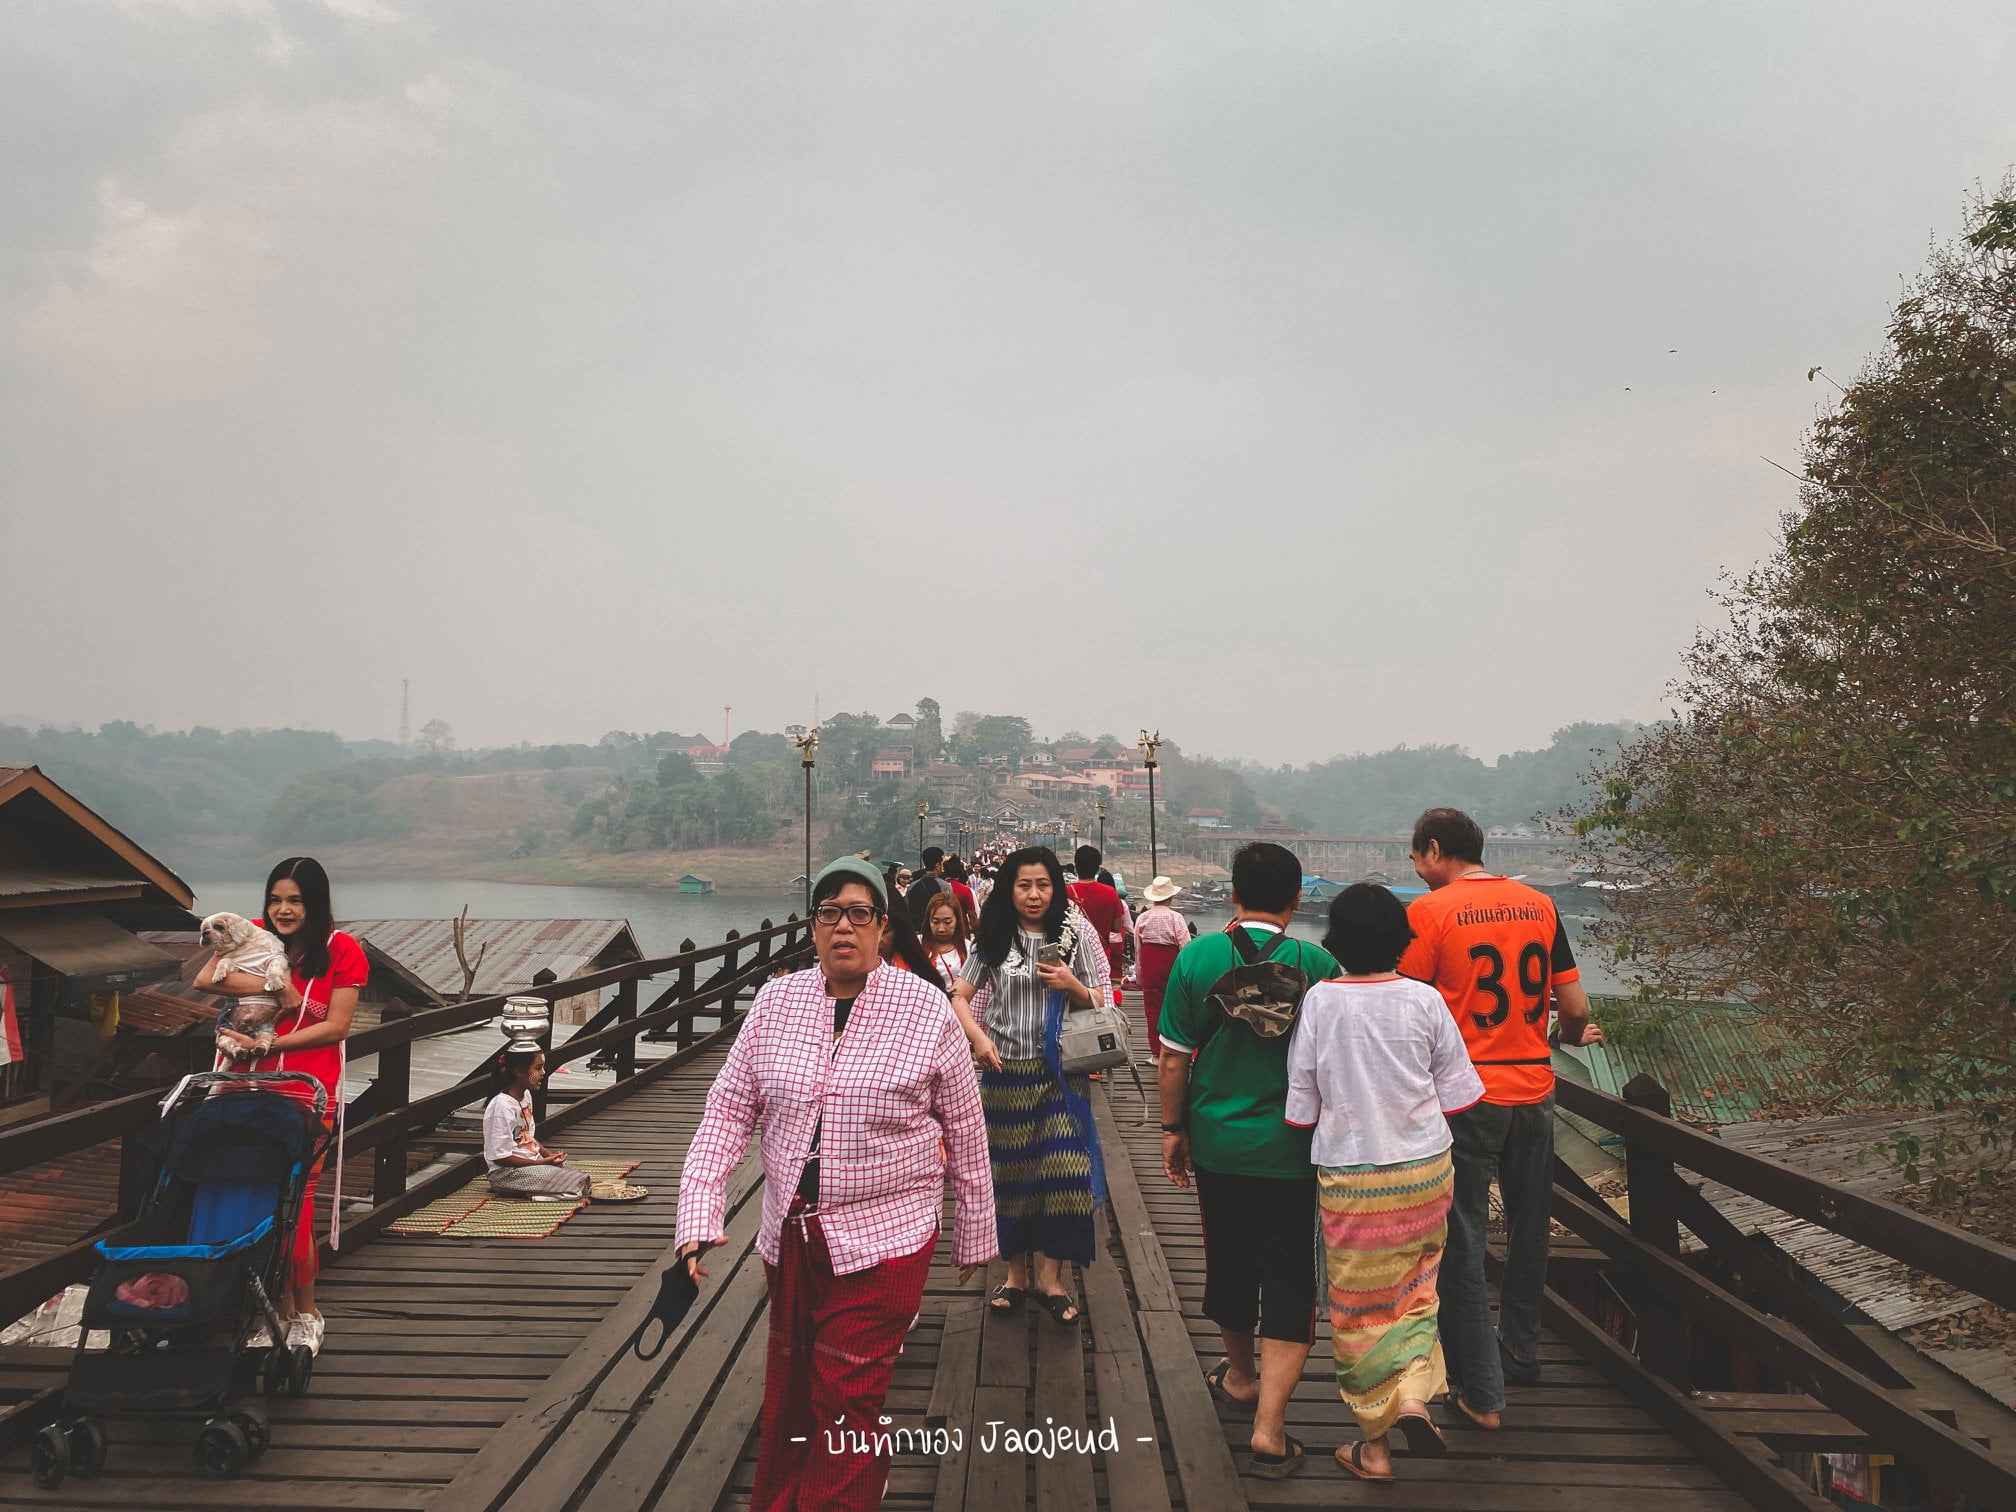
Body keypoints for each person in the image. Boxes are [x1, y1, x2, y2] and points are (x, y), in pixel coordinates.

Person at [675, 857, 994, 1512]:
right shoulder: (775, 1002)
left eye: (859, 913)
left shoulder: (925, 1010)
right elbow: (728, 1112)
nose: (843, 926)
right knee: (794, 1383)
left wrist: (976, 1234)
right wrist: (698, 1218)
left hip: (888, 1235)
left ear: (883, 927)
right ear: (814, 928)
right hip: (790, 1235)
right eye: (829, 914)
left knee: (847, 1392)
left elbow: (964, 1126)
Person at [1398, 808, 1604, 1431]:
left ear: (1434, 850)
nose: (1416, 869)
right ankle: (1520, 1346)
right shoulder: (1539, 906)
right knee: (1529, 1223)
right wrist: (1571, 1035)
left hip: (1467, 1097)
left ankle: (1475, 1380)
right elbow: (1573, 1005)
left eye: (1416, 858)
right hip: (1534, 1088)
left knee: (1461, 1235)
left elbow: (1403, 1006)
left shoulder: (1428, 913)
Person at [1287, 884, 1484, 1481]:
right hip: (1426, 1171)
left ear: (1337, 940)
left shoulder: (1322, 1001)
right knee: (1419, 1289)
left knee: (1359, 1308)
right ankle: (1417, 1395)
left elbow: (1302, 1106)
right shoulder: (1425, 1000)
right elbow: (1460, 1094)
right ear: (1402, 939)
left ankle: (1373, 1445)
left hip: (1354, 1178)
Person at [1156, 841, 1339, 1479]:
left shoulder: (1197, 956)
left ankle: (1238, 1375)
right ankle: (1271, 1426)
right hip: (1293, 1149)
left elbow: (1173, 1056)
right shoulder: (1318, 964)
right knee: (1290, 1274)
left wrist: (1173, 1129)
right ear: (1296, 899)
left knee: (1228, 1259)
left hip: (1218, 1143)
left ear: (1234, 894)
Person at [195, 856, 364, 1356]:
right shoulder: (250, 937)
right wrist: (277, 985)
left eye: (295, 900)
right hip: (242, 1088)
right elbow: (207, 978)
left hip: (305, 1090)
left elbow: (336, 1026)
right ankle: (275, 1309)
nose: (283, 910)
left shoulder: (342, 950)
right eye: (275, 899)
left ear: (316, 903)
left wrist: (272, 1045)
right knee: (259, 1199)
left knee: (297, 1203)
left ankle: (307, 1313)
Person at [949, 846, 1111, 1327]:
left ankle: (1052, 1277)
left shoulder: (1074, 933)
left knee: (1064, 1173)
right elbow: (959, 993)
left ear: (1055, 888)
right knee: (1010, 1175)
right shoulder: (993, 937)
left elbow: (1103, 997)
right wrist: (977, 1039)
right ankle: (1016, 1274)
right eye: (1024, 885)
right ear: (1009, 889)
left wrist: (1073, 985)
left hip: (1062, 1074)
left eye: (1043, 885)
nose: (1034, 895)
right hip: (1005, 1075)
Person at [483, 1043, 590, 1199]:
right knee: (576, 1183)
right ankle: (535, 1193)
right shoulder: (501, 1106)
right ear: (519, 1071)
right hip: (506, 1174)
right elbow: (500, 1156)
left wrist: (550, 1156)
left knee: (578, 1176)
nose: (543, 1073)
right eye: (538, 1068)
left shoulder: (525, 1096)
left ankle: (546, 1189)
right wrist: (541, 1164)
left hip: (530, 1166)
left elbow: (527, 1137)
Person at [1132, 876, 1188, 1059]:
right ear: (1170, 898)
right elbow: (1185, 946)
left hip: (1150, 967)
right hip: (1171, 967)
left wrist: (1139, 976)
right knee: (1175, 1006)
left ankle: (1156, 1053)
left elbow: (1137, 949)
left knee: (1152, 1009)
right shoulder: (1176, 918)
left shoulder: (1142, 918)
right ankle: (1173, 1049)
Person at [1067, 845, 1132, 998]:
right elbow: (1117, 927)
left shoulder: (1067, 892)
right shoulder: (1110, 893)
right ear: (1097, 867)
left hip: (1073, 954)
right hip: (1101, 953)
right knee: (1101, 992)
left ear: (1076, 866)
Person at [918, 890, 969, 993]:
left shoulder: (969, 948)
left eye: (947, 922)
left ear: (957, 920)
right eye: (935, 922)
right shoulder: (917, 944)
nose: (941, 928)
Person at [904, 847, 949, 922]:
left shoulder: (912, 886)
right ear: (938, 866)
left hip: (916, 929)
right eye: (941, 864)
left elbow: (907, 909)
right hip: (935, 929)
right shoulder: (945, 887)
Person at [942, 854, 980, 936]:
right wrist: (977, 931)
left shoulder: (939, 887)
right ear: (960, 872)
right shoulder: (965, 890)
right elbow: (972, 914)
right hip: (962, 931)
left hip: (942, 930)